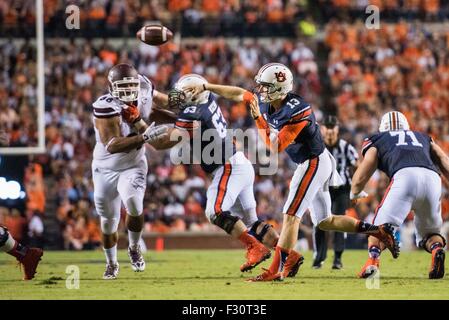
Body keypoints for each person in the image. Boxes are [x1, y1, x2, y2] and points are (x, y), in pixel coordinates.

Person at [185, 63, 399, 281]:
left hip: (313, 162)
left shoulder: (297, 109)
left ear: (280, 88)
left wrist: (258, 119)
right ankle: (378, 231)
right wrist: (207, 86)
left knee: (290, 216)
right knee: (325, 221)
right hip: (312, 161)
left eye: (266, 87)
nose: (261, 90)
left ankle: (275, 271)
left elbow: (275, 146)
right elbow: (240, 93)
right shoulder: (269, 102)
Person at [153, 74, 281, 273]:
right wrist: (149, 99)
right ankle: (287, 255)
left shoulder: (193, 111)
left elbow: (164, 141)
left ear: (193, 96)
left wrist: (140, 128)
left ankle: (254, 247)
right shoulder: (207, 99)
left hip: (228, 167)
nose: (178, 97)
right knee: (253, 222)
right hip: (238, 164)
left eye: (183, 93)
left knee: (215, 211)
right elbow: (172, 107)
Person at [91, 63, 168, 279]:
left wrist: (185, 112)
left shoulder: (144, 87)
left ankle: (134, 248)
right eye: (122, 87)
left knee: (134, 205)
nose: (128, 91)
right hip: (105, 167)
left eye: (131, 86)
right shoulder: (105, 106)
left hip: (133, 164)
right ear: (111, 87)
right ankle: (111, 263)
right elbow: (112, 145)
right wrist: (144, 137)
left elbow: (160, 106)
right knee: (108, 221)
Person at [351, 111, 448, 279]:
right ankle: (437, 250)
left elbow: (364, 170)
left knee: (378, 230)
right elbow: (443, 159)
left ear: (383, 128)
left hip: (404, 177)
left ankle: (373, 262)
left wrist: (355, 191)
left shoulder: (378, 138)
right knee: (430, 233)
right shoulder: (422, 137)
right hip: (432, 179)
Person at [312, 115, 359, 269]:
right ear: (322, 129)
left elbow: (357, 167)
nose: (330, 130)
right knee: (320, 222)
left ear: (337, 129)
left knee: (338, 221)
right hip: (323, 188)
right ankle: (319, 257)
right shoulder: (316, 146)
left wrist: (356, 191)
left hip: (341, 190)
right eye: (327, 127)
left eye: (333, 127)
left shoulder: (346, 147)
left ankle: (337, 258)